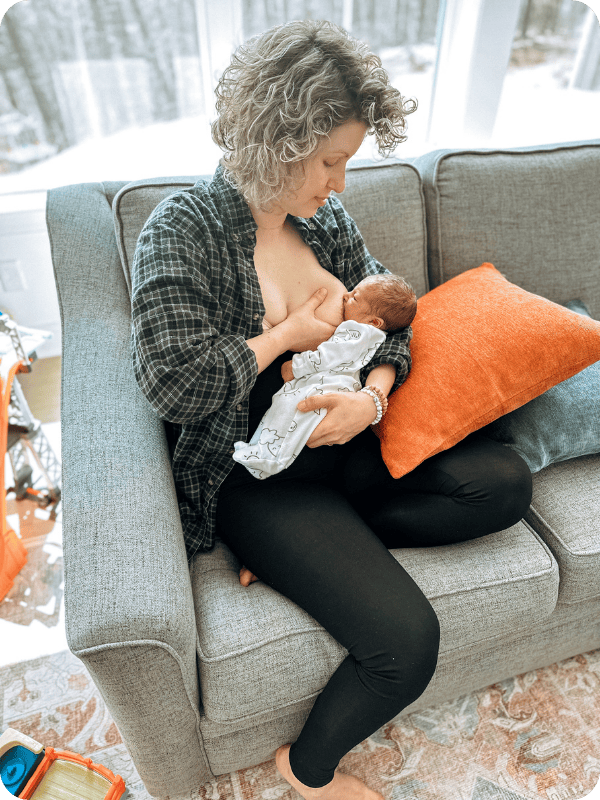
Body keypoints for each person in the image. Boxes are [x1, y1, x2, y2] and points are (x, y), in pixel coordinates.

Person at [131, 19, 533, 800]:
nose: (340, 183)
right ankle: (306, 772)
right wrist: (284, 333)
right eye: (330, 162)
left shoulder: (324, 221)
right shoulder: (181, 233)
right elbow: (171, 385)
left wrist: (372, 399)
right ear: (278, 142)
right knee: (406, 645)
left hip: (345, 441)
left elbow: (396, 317)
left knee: (505, 486)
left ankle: (319, 553)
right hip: (261, 478)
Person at [232, 274, 417, 478]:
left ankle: (271, 458)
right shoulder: (375, 333)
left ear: (374, 321)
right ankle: (263, 452)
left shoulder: (356, 332)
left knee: (290, 416)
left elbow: (327, 357)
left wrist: (296, 366)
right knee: (291, 417)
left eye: (355, 297)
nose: (346, 295)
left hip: (325, 386)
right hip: (334, 386)